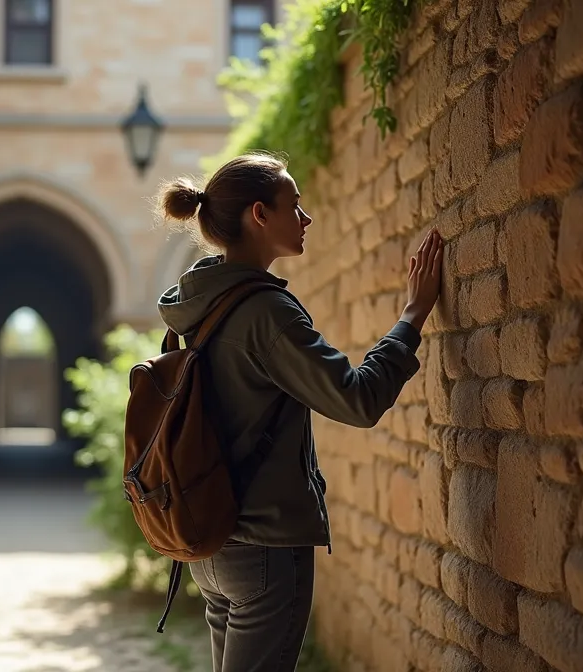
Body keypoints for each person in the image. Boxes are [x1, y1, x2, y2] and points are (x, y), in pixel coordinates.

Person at [154, 151, 444, 672]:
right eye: (295, 205)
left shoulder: (194, 306)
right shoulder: (264, 312)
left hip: (211, 542)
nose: (306, 218)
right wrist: (411, 317)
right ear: (259, 216)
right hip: (265, 548)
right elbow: (357, 399)